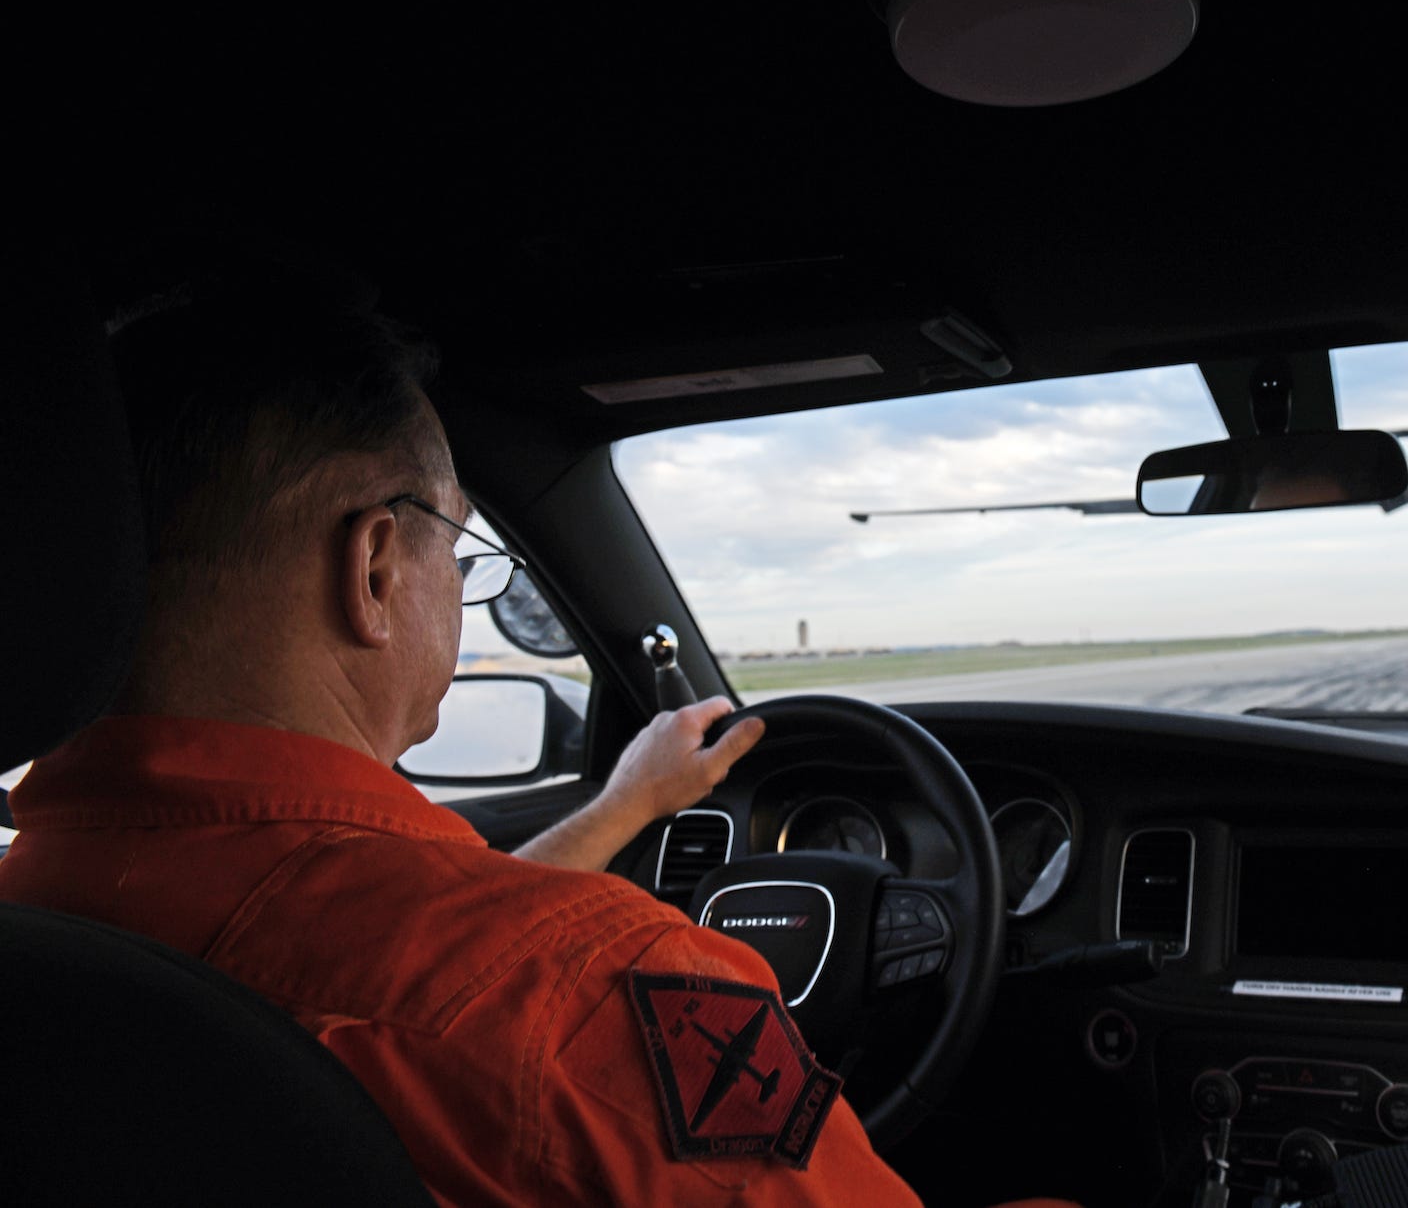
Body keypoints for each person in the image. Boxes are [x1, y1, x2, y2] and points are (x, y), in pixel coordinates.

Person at [0, 291, 1072, 1208]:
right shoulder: (605, 987)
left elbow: (407, 958)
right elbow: (476, 977)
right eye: (456, 546)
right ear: (375, 567)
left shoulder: (47, 914)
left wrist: (623, 807)